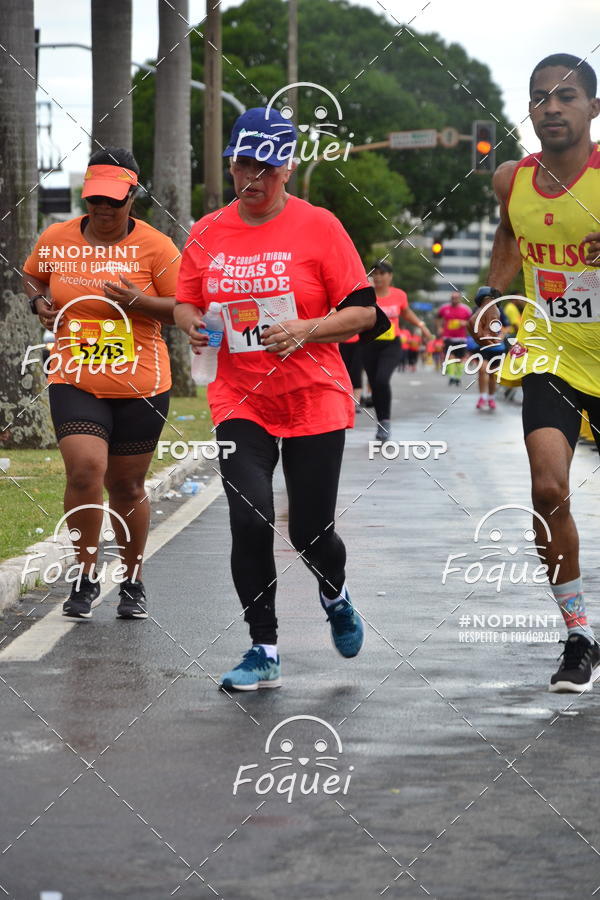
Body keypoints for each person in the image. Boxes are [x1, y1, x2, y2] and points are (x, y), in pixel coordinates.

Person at [174, 107, 389, 691]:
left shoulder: (319, 226)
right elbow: (186, 300)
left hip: (313, 395)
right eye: (244, 164)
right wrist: (194, 323)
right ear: (230, 164)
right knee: (249, 520)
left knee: (310, 532)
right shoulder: (208, 230)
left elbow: (366, 313)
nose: (255, 179)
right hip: (239, 397)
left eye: (267, 167)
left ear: (288, 167)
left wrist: (305, 328)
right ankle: (262, 648)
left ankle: (335, 594)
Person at [470, 54, 600, 692]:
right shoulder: (509, 180)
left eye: (566, 95)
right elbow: (507, 238)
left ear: (592, 110)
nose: (551, 106)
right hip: (549, 353)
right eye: (539, 96)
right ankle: (578, 635)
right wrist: (491, 305)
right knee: (549, 492)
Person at [22, 148, 180, 620]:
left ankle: (132, 580)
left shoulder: (157, 247)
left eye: (114, 200)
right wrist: (39, 304)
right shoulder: (57, 237)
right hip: (75, 375)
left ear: (133, 195)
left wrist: (139, 302)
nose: (103, 210)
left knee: (127, 486)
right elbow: (32, 276)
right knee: (85, 472)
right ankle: (85, 575)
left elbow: (183, 308)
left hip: (141, 382)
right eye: (95, 199)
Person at [362, 261, 432, 441]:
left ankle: (385, 422)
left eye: (381, 273)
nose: (377, 277)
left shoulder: (399, 295)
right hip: (369, 344)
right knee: (374, 383)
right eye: (374, 273)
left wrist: (422, 326)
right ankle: (380, 423)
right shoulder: (365, 295)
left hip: (391, 345)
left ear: (390, 276)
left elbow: (406, 313)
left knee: (381, 379)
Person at [436, 291, 472, 386]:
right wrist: (439, 327)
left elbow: (472, 322)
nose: (454, 300)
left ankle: (458, 377)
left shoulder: (466, 309)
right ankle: (451, 377)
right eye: (452, 298)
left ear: (460, 298)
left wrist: (464, 323)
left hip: (461, 338)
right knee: (450, 357)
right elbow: (438, 317)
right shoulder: (444, 308)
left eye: (456, 298)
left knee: (460, 359)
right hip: (448, 337)